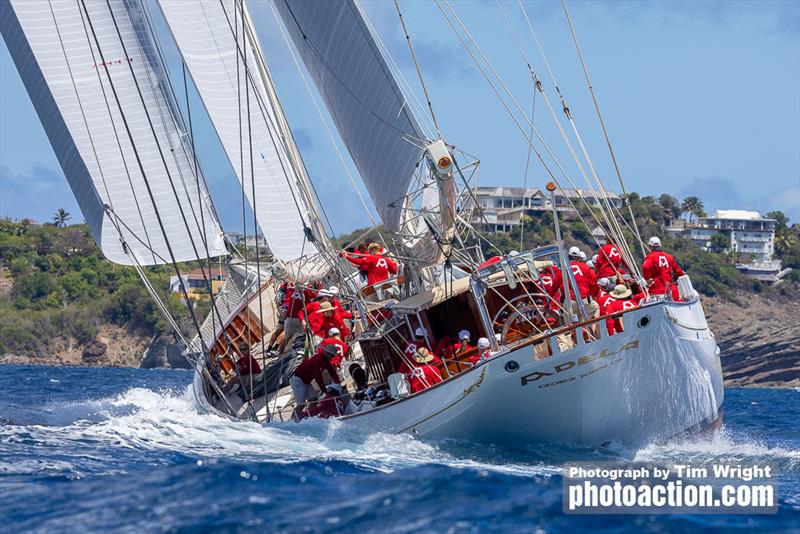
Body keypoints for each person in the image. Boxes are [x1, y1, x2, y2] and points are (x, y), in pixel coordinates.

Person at [291, 344, 341, 419]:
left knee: (314, 399)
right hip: (298, 379)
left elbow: (332, 371)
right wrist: (325, 391)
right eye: (332, 355)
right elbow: (318, 377)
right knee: (301, 404)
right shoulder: (318, 359)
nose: (333, 357)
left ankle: (309, 417)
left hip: (306, 381)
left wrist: (338, 382)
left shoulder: (325, 360)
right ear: (327, 353)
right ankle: (293, 419)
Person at [568, 246, 600, 317]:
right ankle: (592, 327)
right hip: (583, 299)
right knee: (596, 309)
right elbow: (594, 285)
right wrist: (594, 296)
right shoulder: (586, 268)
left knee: (570, 323)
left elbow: (557, 286)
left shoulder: (563, 269)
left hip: (568, 301)